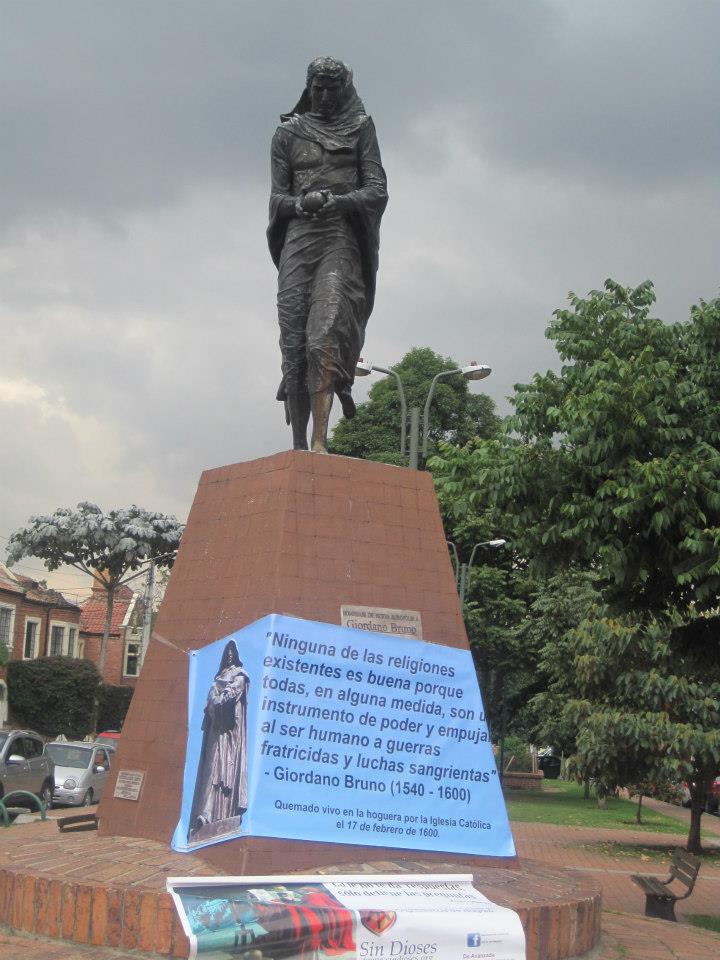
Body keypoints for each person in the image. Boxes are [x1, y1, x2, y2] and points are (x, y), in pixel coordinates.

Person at [268, 56, 388, 453]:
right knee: (294, 345)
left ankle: (320, 439)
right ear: (308, 87)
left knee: (323, 337)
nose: (322, 95)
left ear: (344, 89)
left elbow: (377, 189)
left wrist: (338, 201)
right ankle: (298, 446)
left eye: (331, 89)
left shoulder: (361, 128)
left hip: (340, 240)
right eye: (316, 88)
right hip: (298, 242)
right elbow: (277, 198)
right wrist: (300, 204)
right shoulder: (287, 133)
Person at [188, 639, 250, 841]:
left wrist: (217, 697)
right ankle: (205, 814)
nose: (230, 655)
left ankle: (213, 814)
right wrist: (215, 699)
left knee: (223, 771)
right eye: (227, 651)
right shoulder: (218, 678)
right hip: (216, 732)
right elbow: (212, 703)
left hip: (230, 734)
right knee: (211, 770)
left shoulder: (240, 676)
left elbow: (227, 698)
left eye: (233, 651)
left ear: (236, 655)